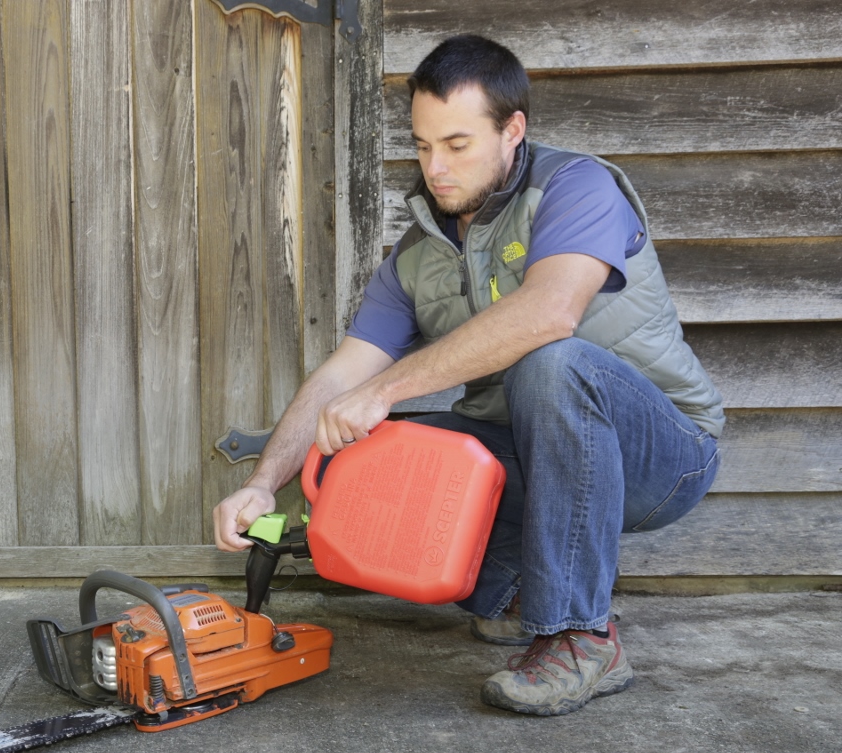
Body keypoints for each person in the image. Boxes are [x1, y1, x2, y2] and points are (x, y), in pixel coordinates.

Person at [212, 34, 723, 716]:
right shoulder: (419, 252)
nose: (436, 167)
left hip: (662, 458)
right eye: (423, 147)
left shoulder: (577, 188)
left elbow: (549, 314)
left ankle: (580, 637)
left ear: (513, 130)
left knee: (551, 361)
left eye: (457, 144)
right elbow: (345, 375)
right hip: (533, 450)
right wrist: (261, 484)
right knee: (362, 451)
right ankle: (510, 591)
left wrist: (386, 389)